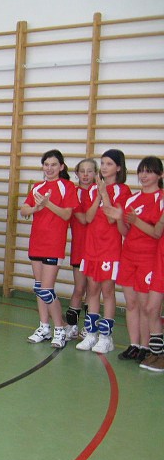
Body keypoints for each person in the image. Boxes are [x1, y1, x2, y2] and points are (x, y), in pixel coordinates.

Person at [20, 150, 79, 349]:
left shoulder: (67, 187)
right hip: (36, 242)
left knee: (47, 290)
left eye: (53, 164)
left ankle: (60, 329)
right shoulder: (38, 187)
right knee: (39, 288)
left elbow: (67, 215)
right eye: (46, 164)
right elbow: (24, 210)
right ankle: (44, 327)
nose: (49, 168)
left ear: (61, 167)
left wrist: (48, 204)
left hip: (53, 244)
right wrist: (36, 208)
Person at [76, 149, 132, 354]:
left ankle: (106, 337)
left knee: (107, 291)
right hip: (91, 247)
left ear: (118, 167)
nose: (104, 167)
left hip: (110, 248)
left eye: (109, 163)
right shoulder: (93, 189)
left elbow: (111, 218)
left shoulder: (123, 190)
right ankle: (91, 334)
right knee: (92, 291)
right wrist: (98, 194)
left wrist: (105, 194)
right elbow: (88, 218)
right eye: (103, 163)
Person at [111, 156, 163, 362]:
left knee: (145, 306)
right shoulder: (132, 199)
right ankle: (134, 345)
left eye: (149, 171)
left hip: (149, 258)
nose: (143, 175)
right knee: (131, 303)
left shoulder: (161, 198)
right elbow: (125, 231)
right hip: (129, 256)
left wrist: (136, 220)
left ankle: (145, 346)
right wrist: (119, 219)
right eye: (141, 171)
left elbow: (156, 233)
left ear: (160, 175)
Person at [65, 158, 98, 339]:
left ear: (96, 173)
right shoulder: (74, 192)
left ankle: (88, 327)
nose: (85, 175)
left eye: (90, 171)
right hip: (79, 247)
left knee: (93, 291)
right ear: (76, 173)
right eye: (82, 171)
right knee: (79, 288)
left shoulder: (99, 192)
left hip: (97, 248)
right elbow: (84, 219)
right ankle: (71, 325)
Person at [140, 158, 164, 372]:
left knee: (152, 308)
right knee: (150, 308)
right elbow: (157, 231)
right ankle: (157, 353)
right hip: (159, 259)